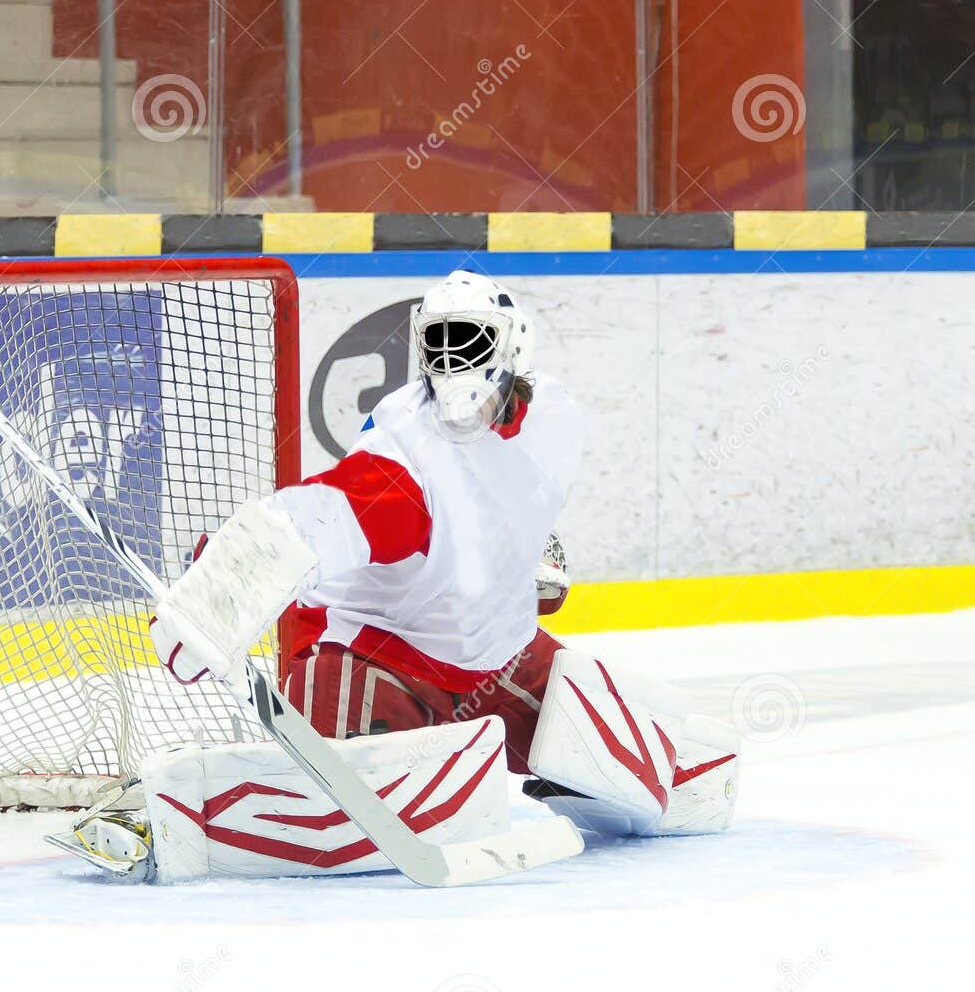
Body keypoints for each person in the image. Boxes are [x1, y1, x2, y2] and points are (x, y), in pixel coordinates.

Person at [65, 271, 740, 881]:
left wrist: (517, 566)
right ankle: (170, 814)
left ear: (513, 349)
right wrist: (224, 590)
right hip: (372, 653)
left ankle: (683, 769)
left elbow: (500, 509)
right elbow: (321, 516)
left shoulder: (555, 420)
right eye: (438, 344)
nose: (452, 363)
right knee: (337, 803)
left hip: (494, 657)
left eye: (469, 342)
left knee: (627, 750)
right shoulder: (405, 459)